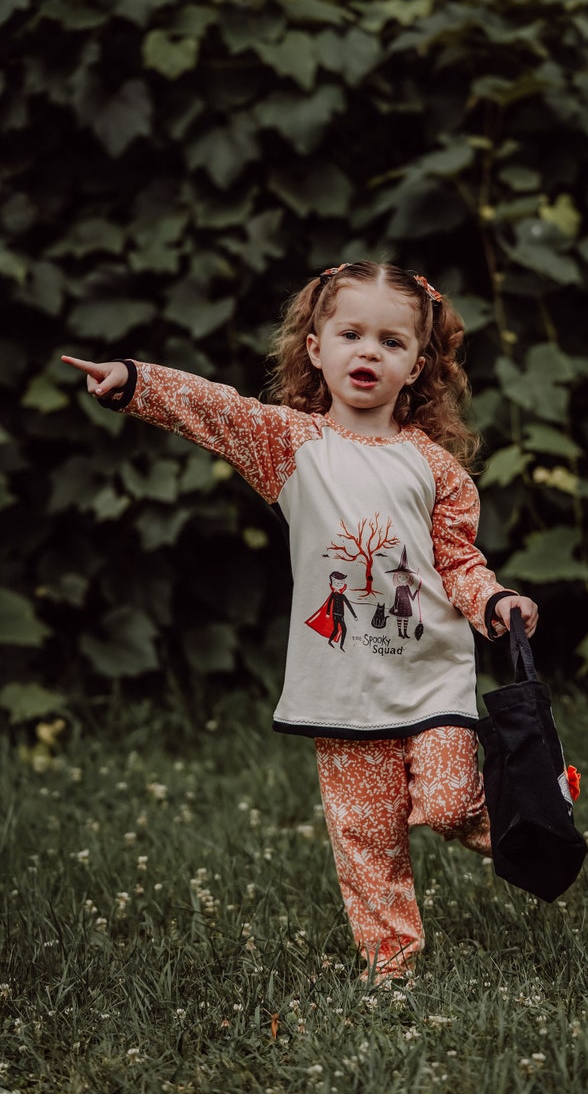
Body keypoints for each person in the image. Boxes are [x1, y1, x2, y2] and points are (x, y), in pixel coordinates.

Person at [62, 260, 538, 985]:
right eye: (350, 333)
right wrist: (135, 381)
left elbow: (458, 563)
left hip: (429, 677)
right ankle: (393, 971)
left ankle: (532, 815)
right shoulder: (291, 445)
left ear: (418, 366)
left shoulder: (437, 469)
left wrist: (495, 603)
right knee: (367, 838)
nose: (368, 352)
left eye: (391, 341)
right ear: (316, 347)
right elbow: (218, 412)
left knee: (443, 806)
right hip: (341, 686)